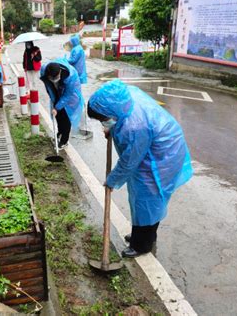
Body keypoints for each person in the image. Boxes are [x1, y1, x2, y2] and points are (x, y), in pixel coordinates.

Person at [87, 80, 193, 258]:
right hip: (155, 146)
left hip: (162, 158)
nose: (104, 122)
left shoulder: (135, 127)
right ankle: (142, 234)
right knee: (142, 199)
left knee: (148, 199)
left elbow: (129, 161)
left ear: (113, 112)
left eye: (104, 119)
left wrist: (112, 180)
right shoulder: (123, 99)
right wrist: (111, 129)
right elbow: (123, 131)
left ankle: (142, 244)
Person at [40, 58, 83, 149]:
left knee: (66, 117)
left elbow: (68, 95)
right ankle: (59, 133)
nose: (55, 79)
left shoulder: (71, 76)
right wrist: (55, 102)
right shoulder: (44, 71)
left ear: (60, 72)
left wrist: (57, 107)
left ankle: (64, 141)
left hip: (71, 95)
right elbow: (49, 88)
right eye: (52, 78)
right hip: (58, 91)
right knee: (58, 115)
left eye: (56, 77)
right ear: (48, 76)